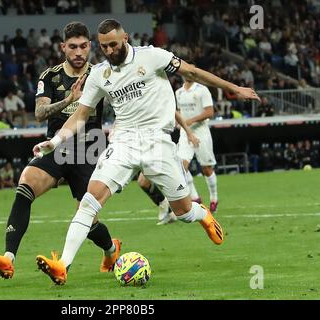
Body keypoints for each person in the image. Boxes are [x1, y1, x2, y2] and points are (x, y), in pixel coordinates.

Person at [33, 19, 260, 285]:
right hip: (124, 142)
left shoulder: (153, 56)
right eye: (104, 46)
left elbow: (193, 72)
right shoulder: (99, 75)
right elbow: (81, 115)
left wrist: (234, 89)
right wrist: (56, 140)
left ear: (125, 38)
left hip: (159, 143)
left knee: (183, 212)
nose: (109, 51)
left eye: (114, 45)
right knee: (88, 201)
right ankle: (63, 265)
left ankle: (203, 215)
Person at [0, 22, 120, 280]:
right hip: (56, 145)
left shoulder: (102, 74)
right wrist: (69, 100)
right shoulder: (50, 76)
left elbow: (121, 105)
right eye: (72, 47)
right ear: (63, 48)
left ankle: (111, 249)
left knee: (88, 218)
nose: (78, 52)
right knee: (25, 185)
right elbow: (39, 113)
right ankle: (8, 259)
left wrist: (118, 130)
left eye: (82, 46)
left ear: (90, 46)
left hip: (89, 149)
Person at [175, 79, 219, 212]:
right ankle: (195, 197)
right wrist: (179, 122)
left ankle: (214, 198)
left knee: (206, 169)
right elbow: (178, 111)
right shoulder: (179, 92)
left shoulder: (202, 90)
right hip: (185, 132)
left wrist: (190, 121)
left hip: (201, 131)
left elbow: (210, 112)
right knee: (181, 166)